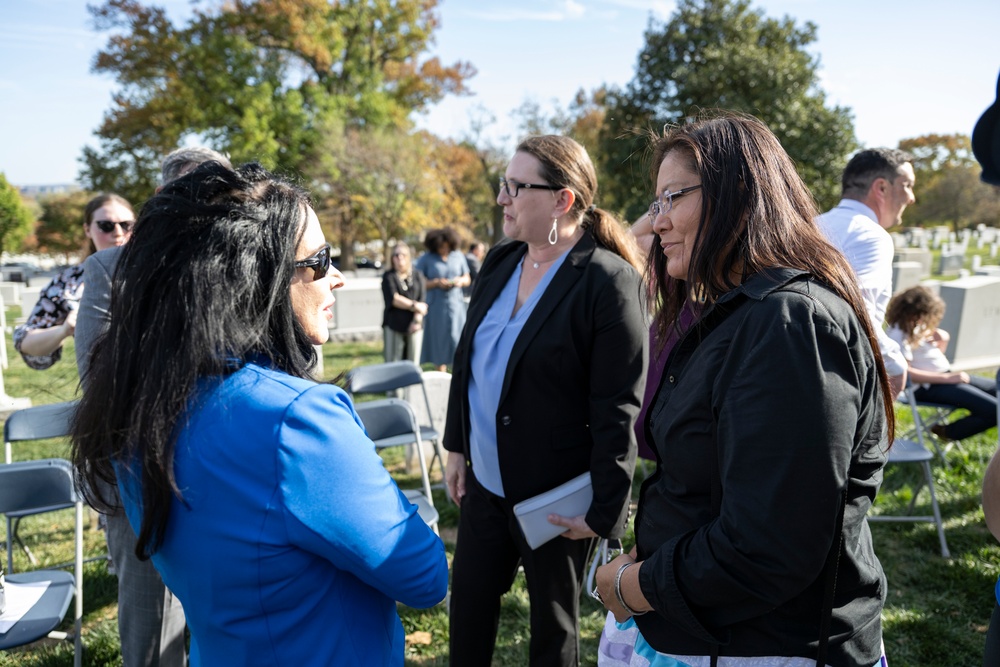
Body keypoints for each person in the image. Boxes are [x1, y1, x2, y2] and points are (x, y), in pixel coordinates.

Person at [70, 161, 449, 666]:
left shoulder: (137, 404)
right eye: (319, 258)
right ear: (256, 279)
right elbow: (424, 577)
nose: (335, 276)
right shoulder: (298, 420)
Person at [594, 113, 894, 667]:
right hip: (701, 630)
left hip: (768, 646)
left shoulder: (790, 324)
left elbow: (768, 545)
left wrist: (631, 586)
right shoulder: (733, 311)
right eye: (655, 202)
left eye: (671, 198)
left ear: (736, 193)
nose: (655, 223)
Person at [444, 134, 648, 666]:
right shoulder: (499, 260)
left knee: (552, 633)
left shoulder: (608, 281)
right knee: (467, 614)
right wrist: (457, 449)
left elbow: (617, 406)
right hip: (485, 488)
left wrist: (605, 511)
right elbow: (467, 361)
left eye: (515, 186)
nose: (502, 198)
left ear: (563, 199)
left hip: (554, 503)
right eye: (503, 184)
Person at [75, 146, 232, 667]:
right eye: (196, 195)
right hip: (140, 479)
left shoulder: (240, 270)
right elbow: (100, 378)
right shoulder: (110, 269)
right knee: (151, 639)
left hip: (229, 477)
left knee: (232, 624)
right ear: (164, 199)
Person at [816, 147, 916, 397]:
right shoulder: (872, 236)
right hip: (839, 376)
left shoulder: (812, 224)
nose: (911, 197)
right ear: (881, 188)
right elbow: (857, 309)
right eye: (907, 185)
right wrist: (893, 363)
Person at [13, 193, 133, 369]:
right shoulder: (69, 282)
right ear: (87, 230)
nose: (118, 233)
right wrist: (63, 330)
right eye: (106, 226)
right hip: (106, 383)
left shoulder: (157, 269)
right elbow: (26, 343)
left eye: (126, 225)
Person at [885, 285, 997, 440]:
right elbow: (906, 373)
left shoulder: (915, 326)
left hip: (945, 378)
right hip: (927, 387)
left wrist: (943, 339)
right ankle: (949, 432)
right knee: (995, 409)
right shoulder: (898, 332)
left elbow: (930, 357)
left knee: (996, 388)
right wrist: (948, 378)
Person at [416, 227, 470, 371]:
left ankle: (458, 375)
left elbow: (467, 278)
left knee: (458, 340)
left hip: (456, 305)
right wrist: (436, 282)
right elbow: (418, 283)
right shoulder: (426, 259)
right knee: (439, 343)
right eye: (441, 248)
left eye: (447, 248)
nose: (444, 250)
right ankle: (442, 376)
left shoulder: (458, 256)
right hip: (436, 306)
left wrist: (459, 281)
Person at [381, 241, 427, 363]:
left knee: (413, 363)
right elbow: (394, 299)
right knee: (393, 363)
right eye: (396, 255)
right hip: (394, 325)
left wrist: (417, 320)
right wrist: (415, 305)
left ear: (409, 257)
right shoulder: (388, 276)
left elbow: (422, 299)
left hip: (415, 325)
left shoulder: (418, 275)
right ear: (392, 259)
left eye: (403, 255)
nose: (400, 258)